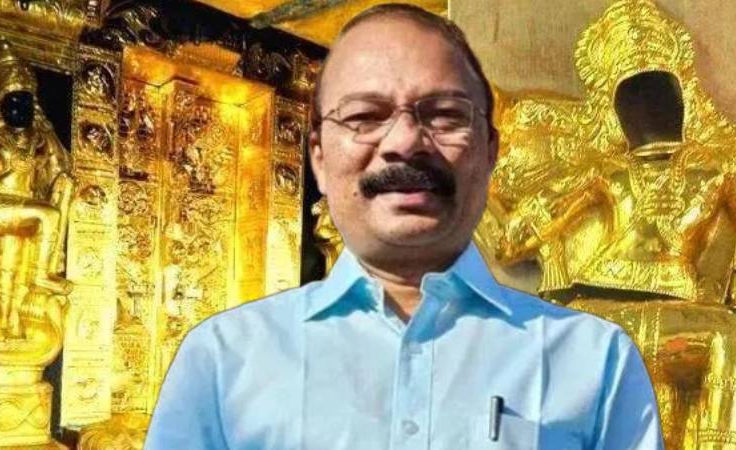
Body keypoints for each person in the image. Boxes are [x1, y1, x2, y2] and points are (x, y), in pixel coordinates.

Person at [144, 4, 664, 449]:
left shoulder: (595, 362)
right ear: (319, 158)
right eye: (365, 116)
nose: (404, 142)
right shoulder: (225, 360)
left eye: (445, 115)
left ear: (490, 152)